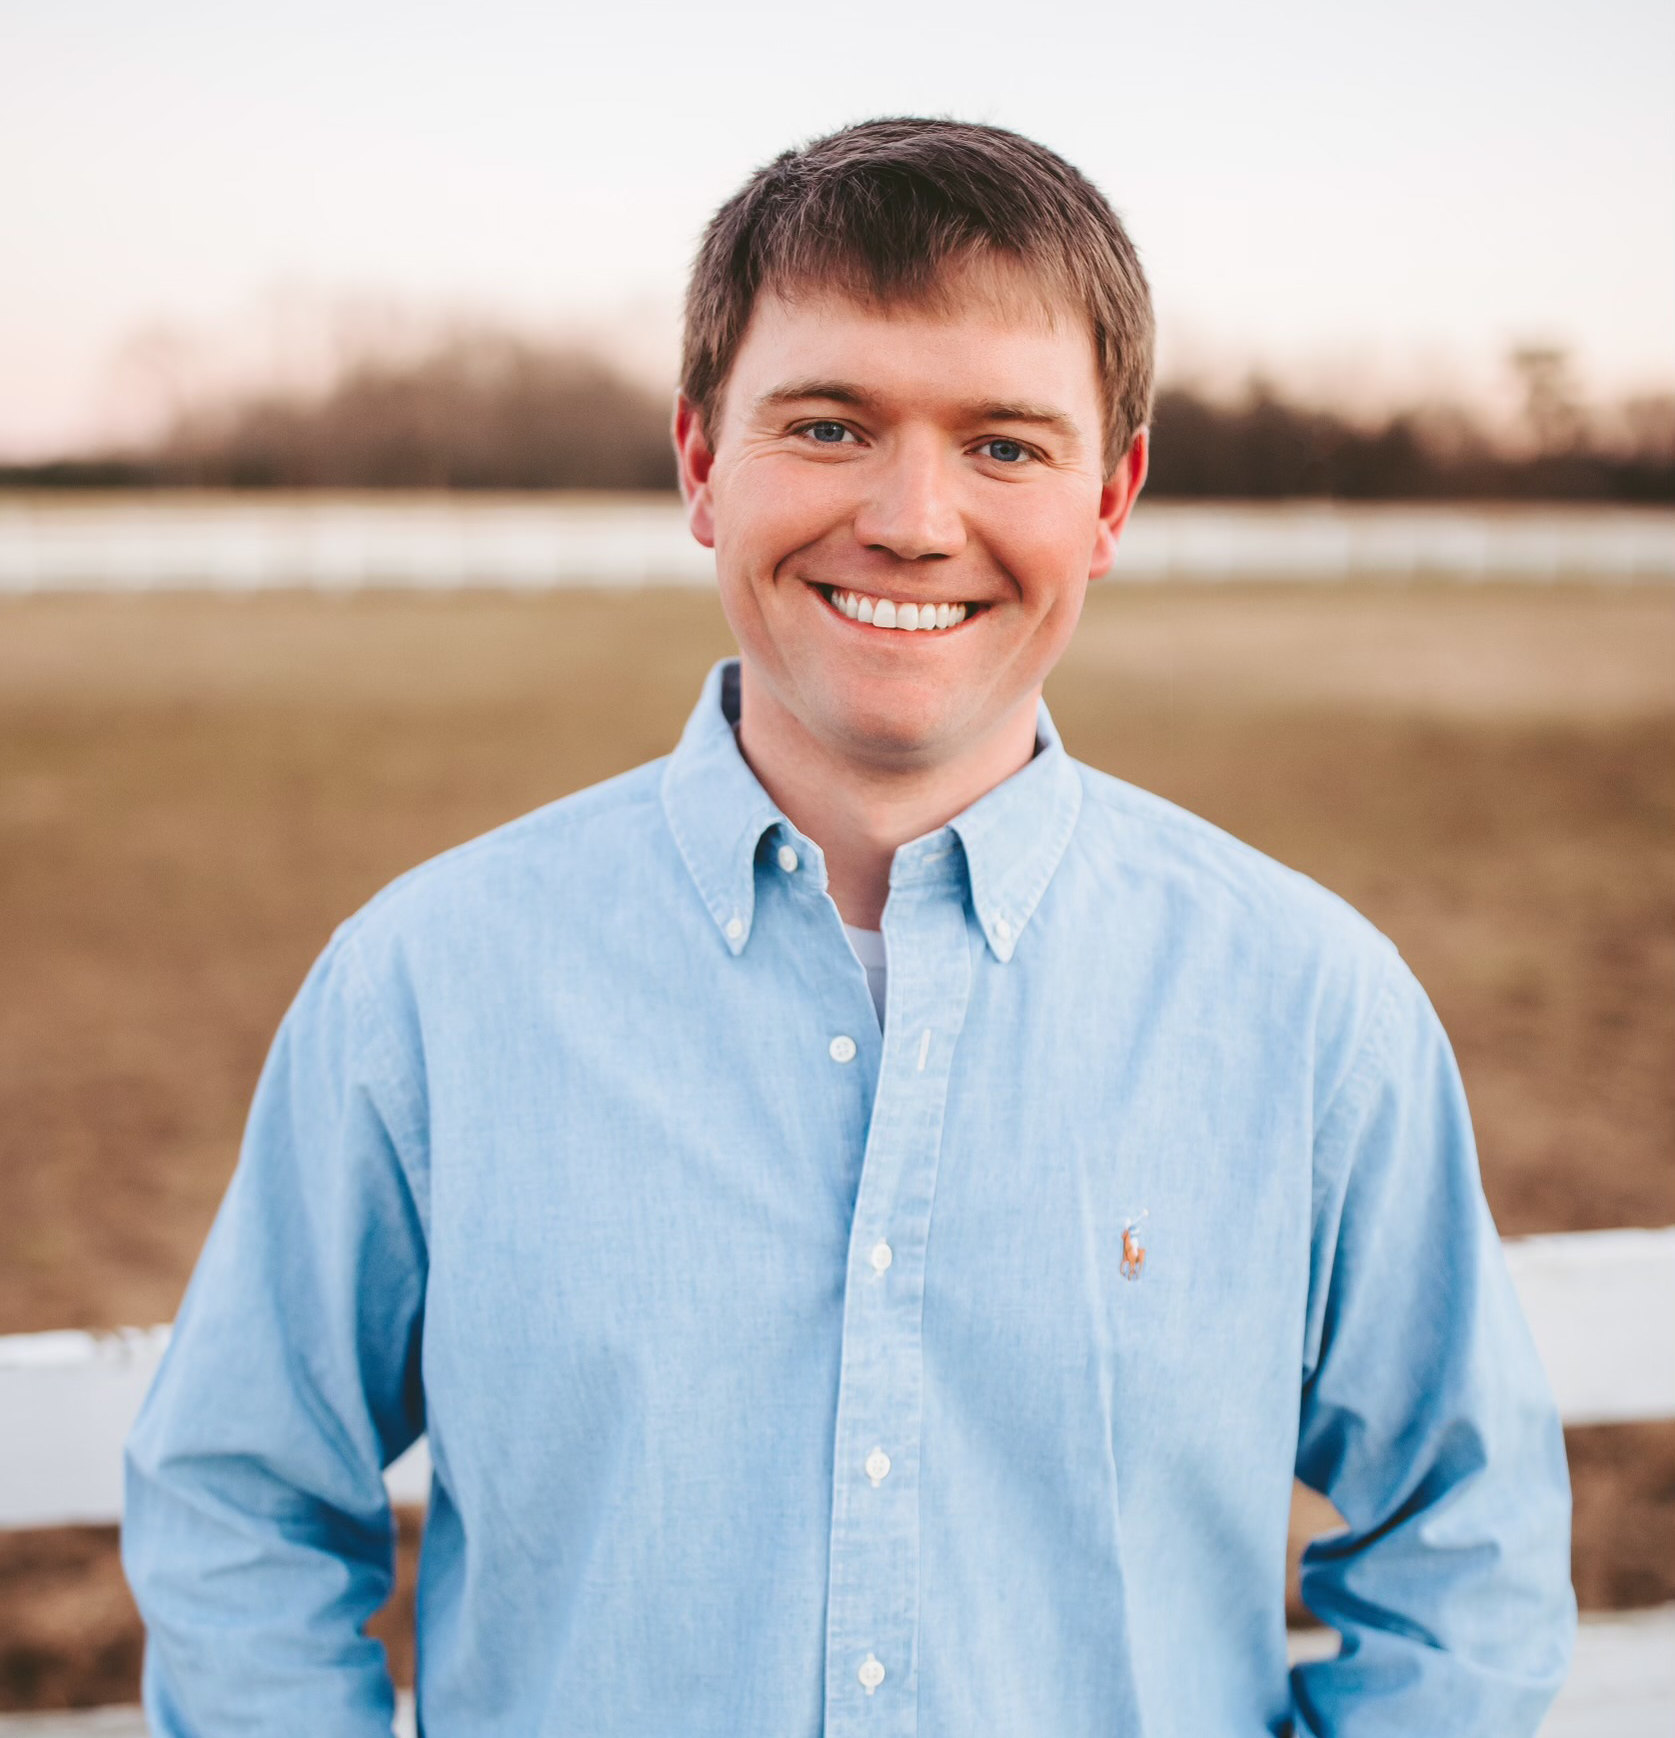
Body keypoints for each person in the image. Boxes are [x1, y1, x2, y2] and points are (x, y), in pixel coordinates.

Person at [122, 117, 1576, 1736]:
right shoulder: (425, 987)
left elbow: (1468, 1543)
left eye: (1005, 445)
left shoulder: (1311, 1010)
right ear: (698, 462)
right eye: (828, 425)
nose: (910, 516)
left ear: (1110, 498)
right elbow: (241, 1502)